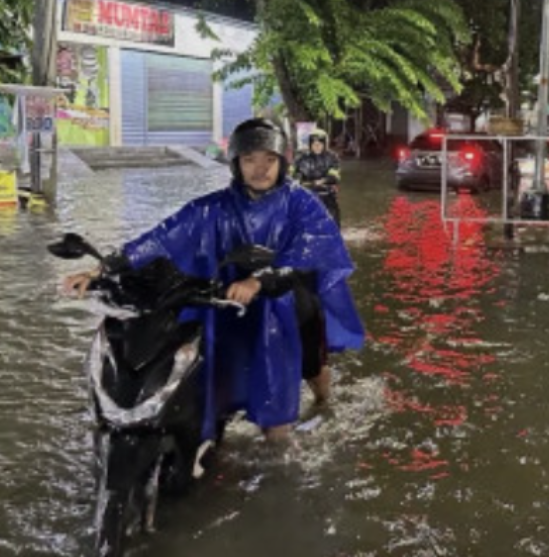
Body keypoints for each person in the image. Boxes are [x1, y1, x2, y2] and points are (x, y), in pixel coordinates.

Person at [62, 118, 364, 444]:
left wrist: (261, 280)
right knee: (211, 380)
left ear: (283, 162)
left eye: (269, 160)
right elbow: (163, 237)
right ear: (236, 164)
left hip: (283, 305)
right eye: (250, 160)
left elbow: (311, 249)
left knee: (289, 399)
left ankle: (320, 404)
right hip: (224, 304)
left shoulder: (302, 203)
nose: (260, 169)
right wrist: (105, 268)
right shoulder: (213, 208)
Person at [292, 128, 342, 228]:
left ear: (324, 144)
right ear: (310, 145)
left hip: (327, 195)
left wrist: (322, 181)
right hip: (308, 194)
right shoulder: (302, 158)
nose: (317, 147)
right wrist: (297, 180)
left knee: (333, 223)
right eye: (314, 144)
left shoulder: (332, 157)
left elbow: (334, 176)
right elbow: (297, 174)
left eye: (320, 144)